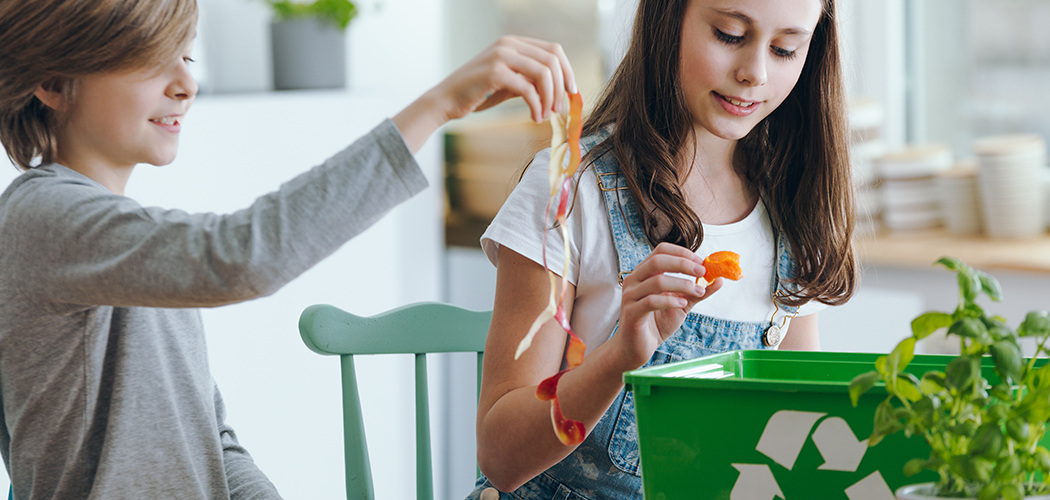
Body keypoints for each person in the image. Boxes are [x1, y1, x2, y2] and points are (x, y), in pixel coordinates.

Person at [0, 0, 577, 498]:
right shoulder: (41, 220)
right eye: (151, 59)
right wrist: (439, 104)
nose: (185, 83)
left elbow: (210, 439)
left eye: (187, 55)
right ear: (51, 82)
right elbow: (240, 257)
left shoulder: (126, 242)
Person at [469, 0, 855, 497]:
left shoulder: (793, 214)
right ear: (668, 18)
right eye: (730, 35)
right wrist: (618, 358)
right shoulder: (570, 191)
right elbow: (501, 456)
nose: (754, 72)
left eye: (785, 49)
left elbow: (798, 432)